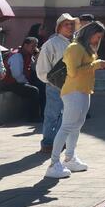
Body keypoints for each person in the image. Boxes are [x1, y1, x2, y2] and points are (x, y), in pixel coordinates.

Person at [46, 21, 105, 179]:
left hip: (82, 90)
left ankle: (69, 158)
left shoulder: (85, 48)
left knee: (76, 126)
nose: (98, 39)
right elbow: (73, 72)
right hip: (73, 91)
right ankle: (54, 163)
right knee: (68, 126)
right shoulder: (75, 47)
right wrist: (96, 65)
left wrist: (95, 64)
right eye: (97, 36)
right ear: (90, 33)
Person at [35, 13, 78, 154]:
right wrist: (50, 81)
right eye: (67, 24)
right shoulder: (51, 44)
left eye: (72, 24)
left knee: (67, 115)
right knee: (52, 114)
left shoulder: (76, 43)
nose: (70, 27)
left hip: (73, 85)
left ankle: (60, 141)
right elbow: (42, 66)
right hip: (55, 85)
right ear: (59, 27)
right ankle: (48, 142)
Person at [0, 37, 42, 123]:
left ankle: (42, 113)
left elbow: (34, 69)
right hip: (9, 83)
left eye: (36, 46)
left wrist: (37, 56)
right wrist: (28, 83)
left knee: (42, 85)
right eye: (33, 46)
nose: (34, 48)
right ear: (25, 45)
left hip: (17, 81)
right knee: (33, 90)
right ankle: (33, 117)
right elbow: (17, 75)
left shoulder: (28, 55)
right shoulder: (17, 56)